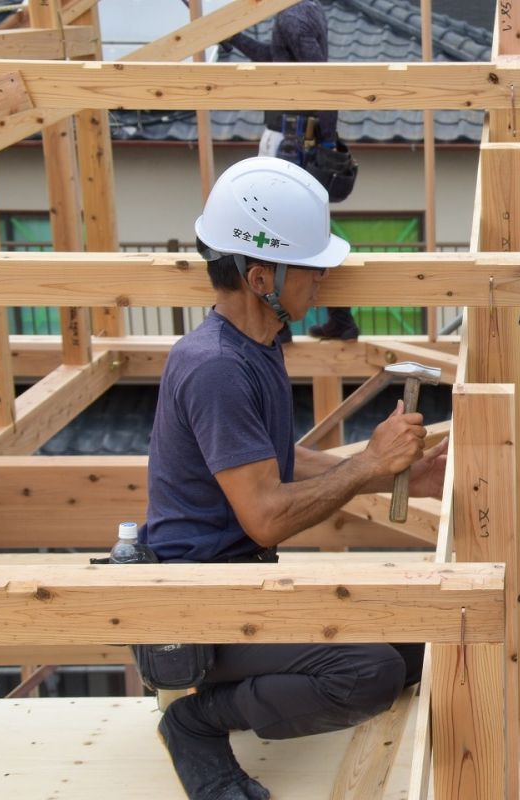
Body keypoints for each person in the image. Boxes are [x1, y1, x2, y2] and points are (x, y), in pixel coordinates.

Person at [142, 156, 447, 800]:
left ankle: (243, 693)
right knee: (366, 673)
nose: (325, 277)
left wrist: (393, 473)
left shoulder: (258, 345)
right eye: (311, 266)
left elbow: (275, 461)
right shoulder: (216, 368)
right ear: (261, 277)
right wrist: (369, 463)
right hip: (199, 609)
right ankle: (196, 723)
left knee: (420, 643)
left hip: (243, 579)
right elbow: (266, 513)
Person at [222, 0, 360, 341]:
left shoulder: (292, 17)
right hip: (297, 139)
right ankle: (335, 319)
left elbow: (322, 81)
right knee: (289, 232)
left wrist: (325, 143)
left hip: (295, 141)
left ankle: (280, 324)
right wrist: (234, 38)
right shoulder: (303, 12)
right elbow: (276, 60)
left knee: (279, 235)